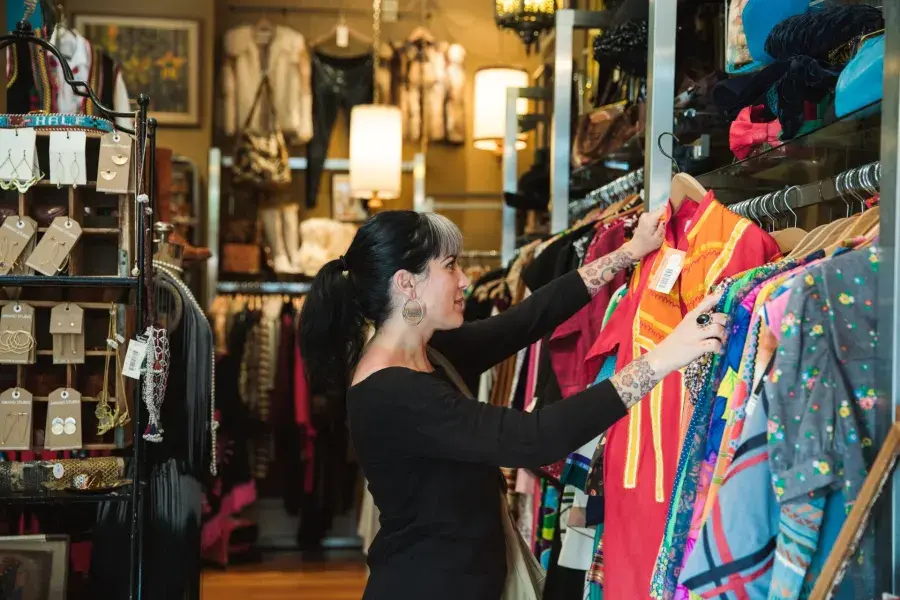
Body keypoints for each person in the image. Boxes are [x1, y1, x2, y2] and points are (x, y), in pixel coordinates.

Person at [299, 211, 727, 600]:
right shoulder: (392, 391)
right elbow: (533, 439)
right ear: (406, 282)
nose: (465, 279)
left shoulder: (428, 351)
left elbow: (524, 321)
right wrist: (666, 356)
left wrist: (627, 253)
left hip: (461, 577)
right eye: (450, 267)